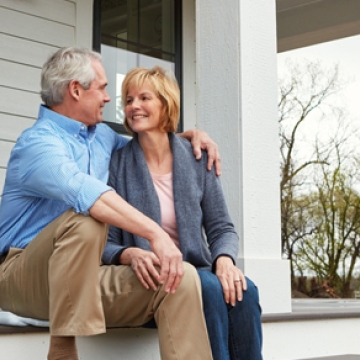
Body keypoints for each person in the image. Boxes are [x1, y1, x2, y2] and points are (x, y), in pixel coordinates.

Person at [0, 47, 221, 360]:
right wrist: (156, 234)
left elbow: (146, 143)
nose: (108, 98)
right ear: (76, 90)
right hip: (22, 275)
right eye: (103, 87)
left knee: (180, 278)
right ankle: (63, 348)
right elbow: (89, 195)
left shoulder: (102, 136)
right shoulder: (37, 143)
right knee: (87, 217)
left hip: (84, 275)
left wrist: (191, 135)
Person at [103, 66, 263, 360]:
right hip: (154, 279)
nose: (133, 106)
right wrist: (129, 255)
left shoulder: (197, 156)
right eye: (128, 100)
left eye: (144, 98)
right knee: (209, 290)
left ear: (165, 103)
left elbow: (221, 228)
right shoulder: (117, 164)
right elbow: (106, 242)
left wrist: (225, 261)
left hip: (200, 270)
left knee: (245, 290)